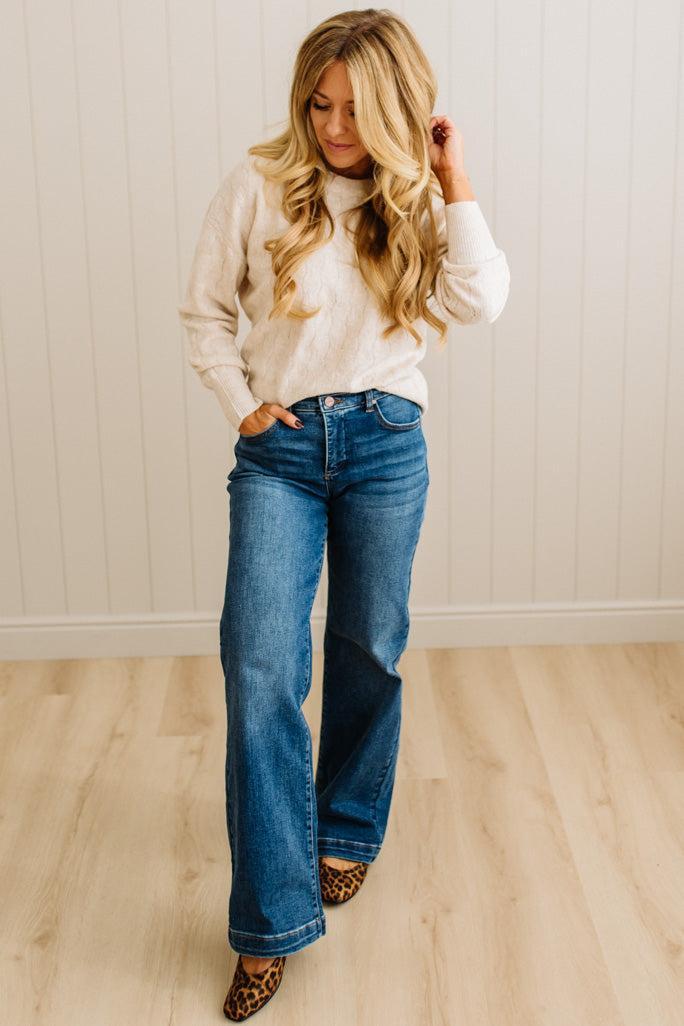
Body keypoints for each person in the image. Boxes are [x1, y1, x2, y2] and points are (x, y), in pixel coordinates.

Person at [177, 8, 510, 1021]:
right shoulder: (257, 183)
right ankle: (268, 922)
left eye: (357, 110)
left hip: (383, 444)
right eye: (319, 104)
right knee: (263, 664)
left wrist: (455, 184)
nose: (331, 126)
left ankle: (345, 830)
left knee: (369, 646)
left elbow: (482, 298)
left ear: (400, 109)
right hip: (278, 452)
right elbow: (204, 313)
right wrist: (244, 411)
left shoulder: (414, 200)